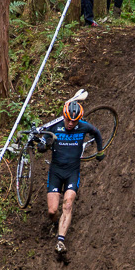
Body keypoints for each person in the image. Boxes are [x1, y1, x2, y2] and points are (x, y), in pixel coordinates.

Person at [38, 99, 104, 257]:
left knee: (67, 204)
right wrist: (43, 145)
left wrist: (100, 151)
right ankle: (56, 223)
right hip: (55, 171)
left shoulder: (84, 126)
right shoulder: (55, 126)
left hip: (72, 172)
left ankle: (61, 241)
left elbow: (97, 133)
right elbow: (42, 142)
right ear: (64, 116)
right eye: (68, 120)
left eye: (74, 121)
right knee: (52, 211)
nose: (70, 124)